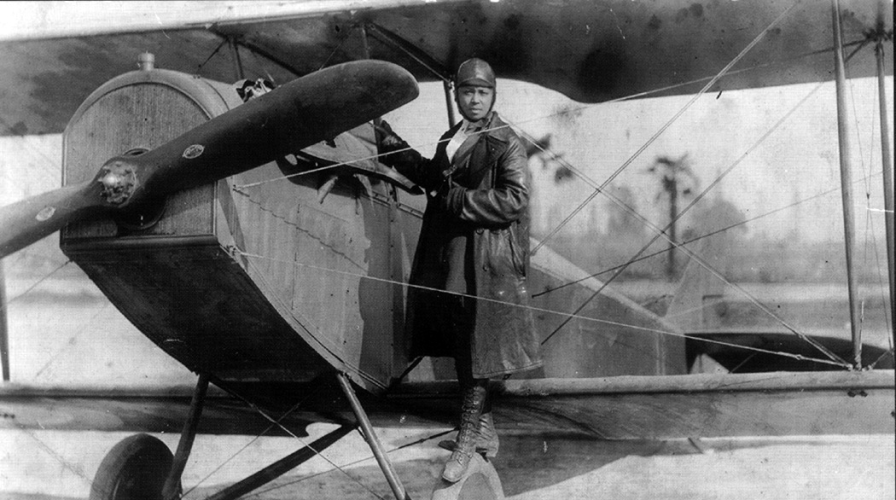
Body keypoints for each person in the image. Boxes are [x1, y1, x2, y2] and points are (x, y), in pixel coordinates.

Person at [377, 58, 542, 483]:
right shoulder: (453, 136)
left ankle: (468, 439)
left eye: (481, 92)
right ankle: (484, 432)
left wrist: (459, 202)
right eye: (467, 91)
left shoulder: (506, 142)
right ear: (457, 94)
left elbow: (514, 200)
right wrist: (388, 140)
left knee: (475, 346)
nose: (473, 98)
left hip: (483, 260)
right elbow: (433, 176)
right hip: (452, 255)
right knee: (461, 339)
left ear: (492, 96)